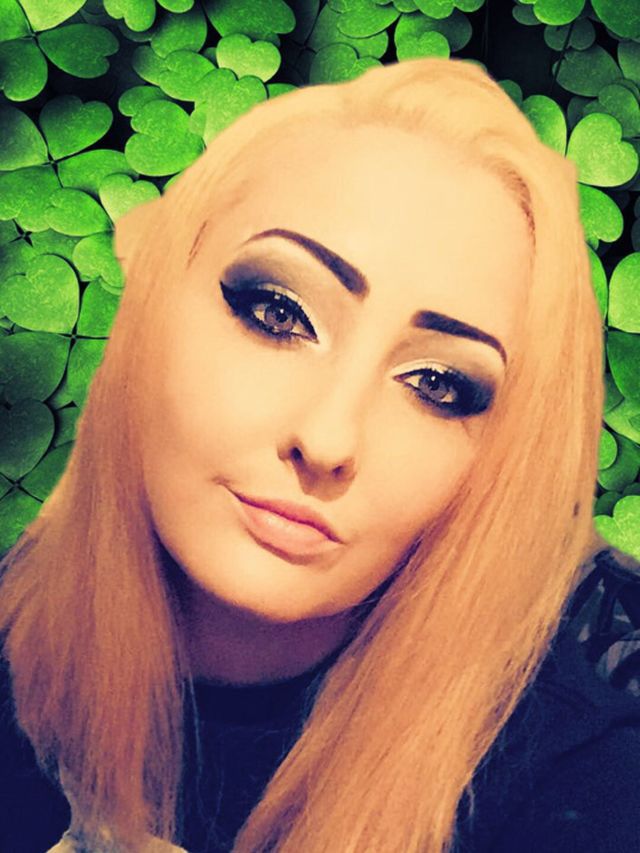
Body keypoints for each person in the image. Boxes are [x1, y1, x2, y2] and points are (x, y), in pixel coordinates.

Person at [0, 56, 639, 853]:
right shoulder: (18, 626)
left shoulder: (584, 782)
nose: (329, 437)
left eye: (438, 384)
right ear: (154, 295)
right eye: (277, 312)